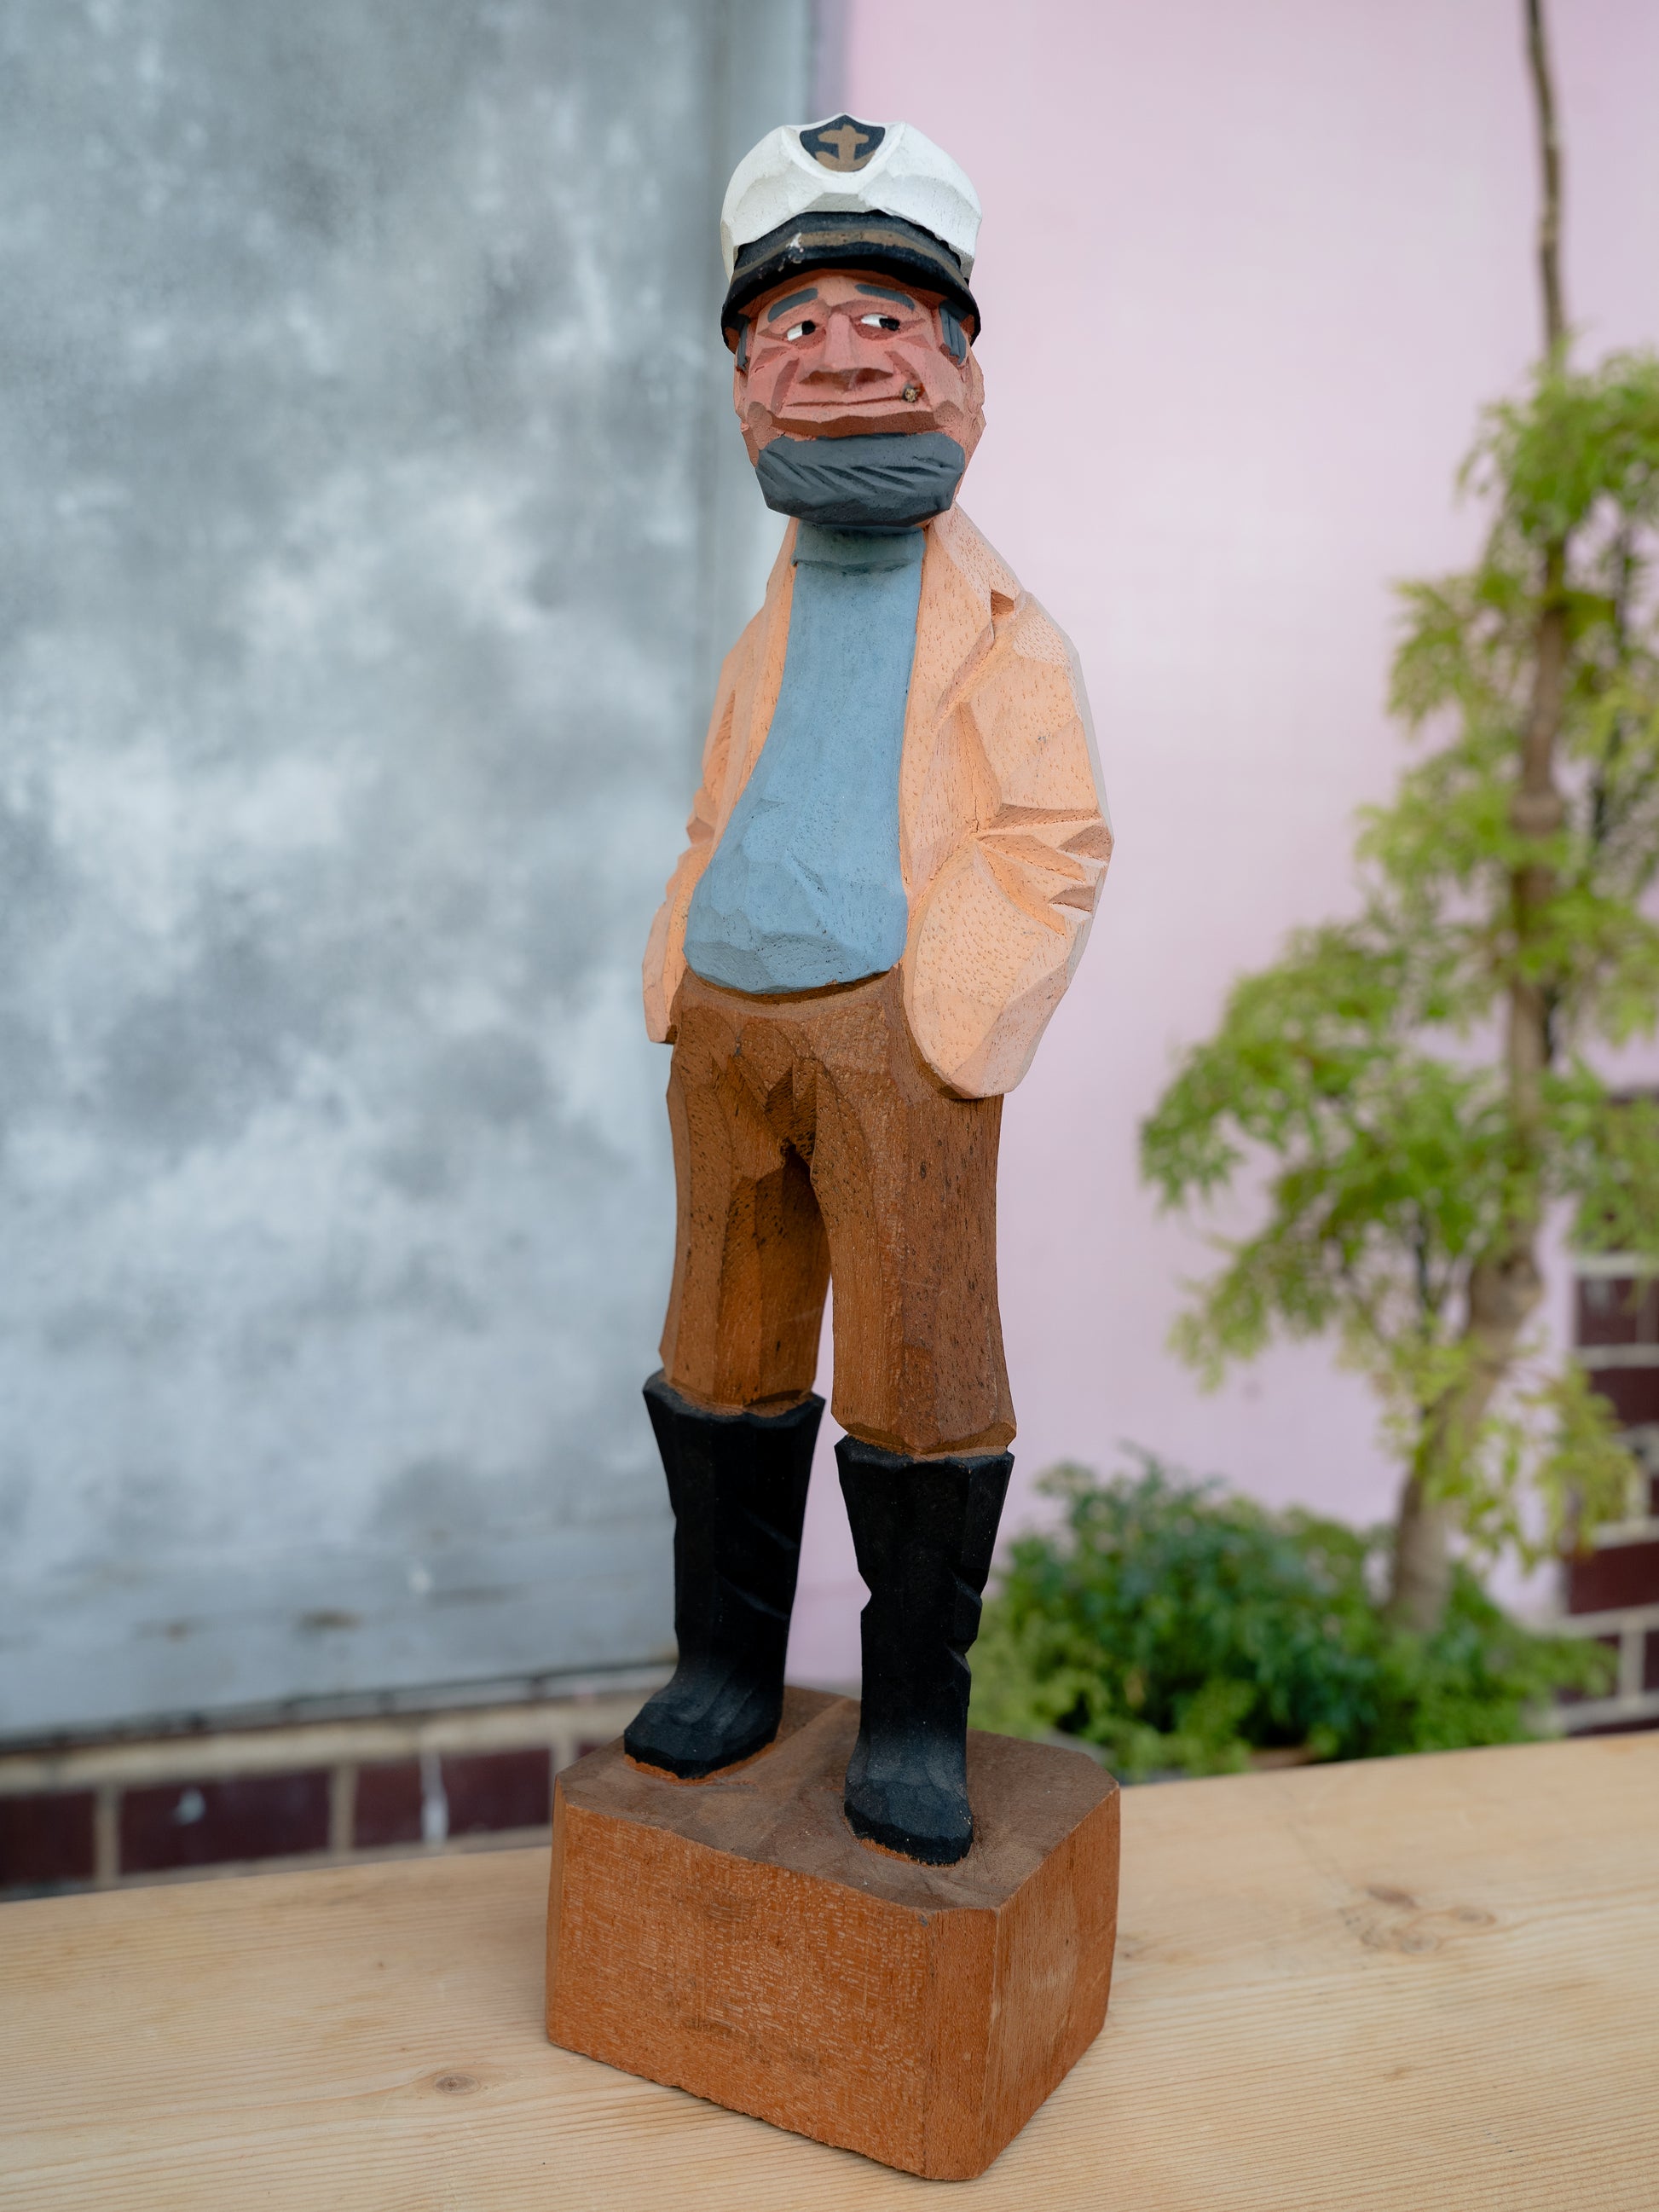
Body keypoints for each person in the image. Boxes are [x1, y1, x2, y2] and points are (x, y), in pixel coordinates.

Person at [623, 115, 1111, 1865]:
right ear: (742, 383)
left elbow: (1055, 836)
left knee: (917, 1365)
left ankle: (909, 1717)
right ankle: (724, 1667)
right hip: (727, 1030)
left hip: (895, 1032)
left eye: (885, 319)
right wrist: (683, 956)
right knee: (721, 1350)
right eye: (790, 323)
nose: (835, 356)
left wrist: (943, 1012)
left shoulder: (1011, 639)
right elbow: (716, 802)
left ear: (963, 370)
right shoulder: (760, 627)